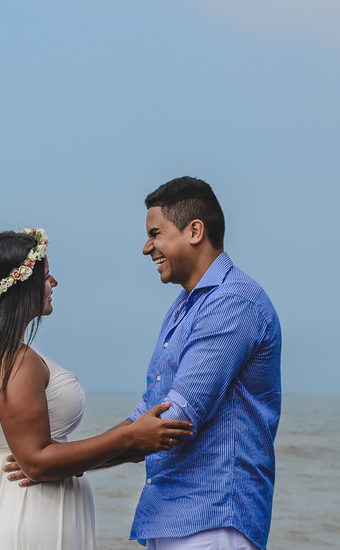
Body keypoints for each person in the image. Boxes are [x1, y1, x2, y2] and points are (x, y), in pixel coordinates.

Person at [0, 228, 193, 550]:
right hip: (28, 511)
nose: (54, 282)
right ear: (21, 287)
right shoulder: (19, 362)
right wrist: (129, 438)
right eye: (46, 276)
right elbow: (36, 462)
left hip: (1, 501)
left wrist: (132, 440)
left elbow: (44, 456)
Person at [121, 177, 282, 550]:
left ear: (195, 231)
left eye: (155, 234)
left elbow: (174, 419)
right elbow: (148, 412)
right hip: (171, 518)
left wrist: (64, 461)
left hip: (213, 522)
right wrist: (64, 461)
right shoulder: (184, 306)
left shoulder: (233, 302)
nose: (147, 248)